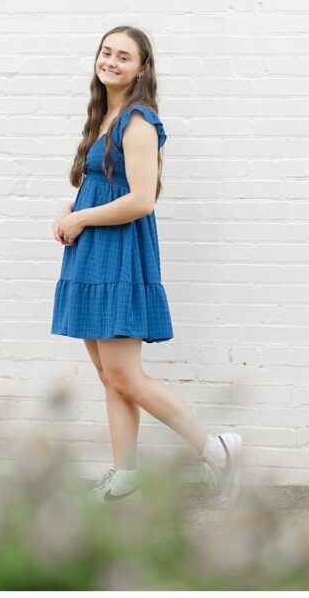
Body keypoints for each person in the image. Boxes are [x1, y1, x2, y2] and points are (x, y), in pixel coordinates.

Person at [50, 26, 241, 504]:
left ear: (141, 69)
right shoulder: (105, 115)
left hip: (117, 254)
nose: (111, 61)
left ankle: (214, 448)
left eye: (123, 56)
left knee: (125, 374)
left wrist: (82, 218)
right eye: (106, 52)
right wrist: (67, 210)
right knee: (109, 375)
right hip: (93, 251)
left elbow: (140, 200)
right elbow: (101, 185)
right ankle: (125, 472)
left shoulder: (137, 121)